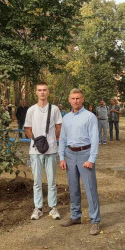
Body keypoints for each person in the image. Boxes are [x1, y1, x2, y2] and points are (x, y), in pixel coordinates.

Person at [59, 88, 101, 235]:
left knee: (90, 189)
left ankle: (95, 220)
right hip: (70, 155)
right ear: (69, 100)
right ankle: (75, 216)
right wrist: (62, 157)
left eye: (78, 98)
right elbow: (63, 139)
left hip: (85, 154)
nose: (75, 101)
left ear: (82, 99)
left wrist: (91, 158)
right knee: (73, 188)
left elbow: (95, 139)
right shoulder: (66, 118)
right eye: (73, 98)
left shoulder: (90, 117)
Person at [24, 82, 62, 221]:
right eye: (39, 90)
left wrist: (52, 139)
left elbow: (59, 126)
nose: (42, 93)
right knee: (37, 181)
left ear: (48, 92)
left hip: (51, 149)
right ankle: (38, 208)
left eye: (44, 90)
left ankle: (53, 207)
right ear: (36, 92)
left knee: (52, 180)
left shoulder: (55, 109)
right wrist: (36, 140)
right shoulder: (31, 110)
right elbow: (27, 128)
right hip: (35, 151)